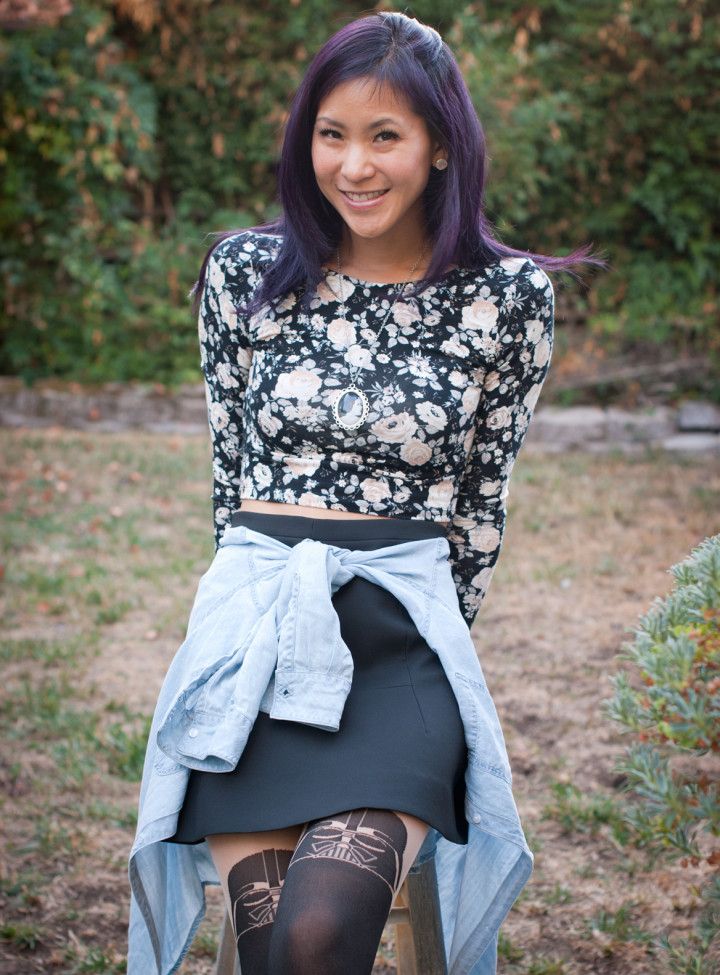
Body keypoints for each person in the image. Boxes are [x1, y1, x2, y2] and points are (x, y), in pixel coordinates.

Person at [128, 12, 591, 975]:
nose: (355, 164)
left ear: (440, 148)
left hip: (400, 644)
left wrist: (442, 664)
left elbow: (478, 506)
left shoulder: (505, 299)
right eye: (332, 134)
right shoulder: (245, 274)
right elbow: (230, 479)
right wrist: (226, 642)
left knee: (317, 931)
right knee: (271, 944)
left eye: (386, 136)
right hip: (259, 632)